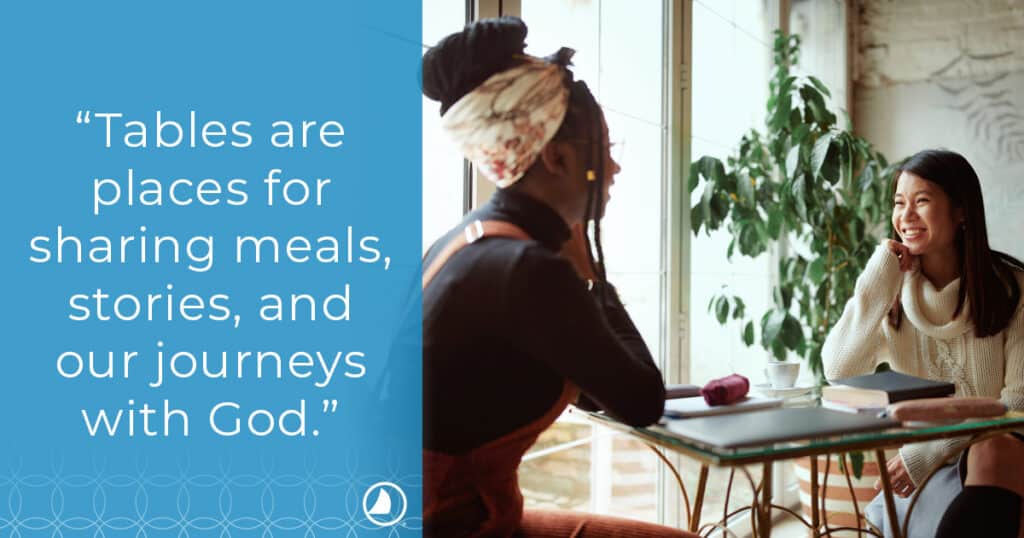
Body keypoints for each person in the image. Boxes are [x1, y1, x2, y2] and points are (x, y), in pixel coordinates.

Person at [421, 16, 696, 538]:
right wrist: (592, 275)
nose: (613, 171)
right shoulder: (528, 269)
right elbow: (642, 401)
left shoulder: (463, 242)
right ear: (557, 155)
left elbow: (596, 388)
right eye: (606, 151)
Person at [822, 149, 1024, 537]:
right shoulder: (891, 295)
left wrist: (927, 452)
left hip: (1001, 455)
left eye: (923, 201)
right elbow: (839, 370)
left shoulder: (1013, 290)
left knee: (992, 449)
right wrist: (876, 279)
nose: (906, 216)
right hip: (933, 466)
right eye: (899, 203)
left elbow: (1016, 404)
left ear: (961, 212)